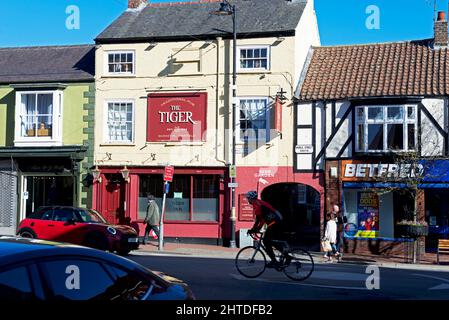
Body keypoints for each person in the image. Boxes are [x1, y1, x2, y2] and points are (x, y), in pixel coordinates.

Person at [246, 191, 284, 268]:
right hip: (274, 222)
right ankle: (282, 256)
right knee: (269, 241)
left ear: (251, 198)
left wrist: (254, 229)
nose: (247, 200)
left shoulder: (257, 204)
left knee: (266, 241)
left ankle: (276, 261)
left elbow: (258, 219)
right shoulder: (258, 203)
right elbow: (262, 219)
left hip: (275, 222)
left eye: (248, 198)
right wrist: (256, 229)